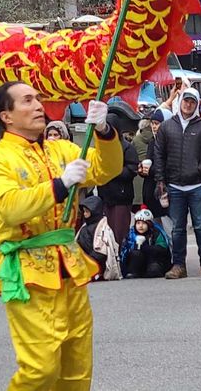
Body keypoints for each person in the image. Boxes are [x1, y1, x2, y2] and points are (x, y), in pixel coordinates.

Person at [0, 81, 122, 390]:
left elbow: (105, 169)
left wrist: (105, 131)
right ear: (6, 116)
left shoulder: (62, 150)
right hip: (27, 272)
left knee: (77, 368)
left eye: (38, 99)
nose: (38, 106)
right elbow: (8, 207)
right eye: (27, 100)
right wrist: (60, 186)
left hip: (70, 267)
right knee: (40, 369)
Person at [152, 87, 201, 279]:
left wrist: (200, 168)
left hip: (197, 185)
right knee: (178, 228)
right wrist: (160, 180)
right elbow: (159, 154)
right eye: (185, 100)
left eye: (192, 102)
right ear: (180, 101)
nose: (188, 105)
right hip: (174, 185)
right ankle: (178, 265)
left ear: (196, 104)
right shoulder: (167, 127)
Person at [96, 108, 139, 247]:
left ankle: (121, 256)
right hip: (105, 196)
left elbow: (132, 169)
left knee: (119, 233)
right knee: (106, 233)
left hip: (121, 197)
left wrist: (113, 171)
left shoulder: (127, 147)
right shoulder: (101, 147)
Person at [75, 194, 121, 281]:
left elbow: (104, 249)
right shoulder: (84, 227)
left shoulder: (104, 227)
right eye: (84, 211)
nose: (85, 214)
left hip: (97, 257)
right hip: (84, 257)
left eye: (87, 211)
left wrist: (90, 258)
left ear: (94, 211)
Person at [119, 207, 171, 279]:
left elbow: (162, 249)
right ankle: (134, 271)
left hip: (153, 259)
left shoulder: (156, 233)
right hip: (138, 259)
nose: (140, 226)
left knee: (154, 269)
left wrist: (146, 248)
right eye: (138, 223)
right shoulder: (131, 234)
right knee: (135, 254)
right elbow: (125, 251)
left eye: (143, 223)